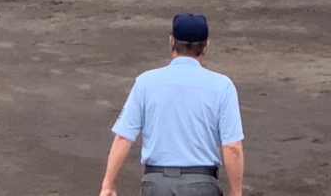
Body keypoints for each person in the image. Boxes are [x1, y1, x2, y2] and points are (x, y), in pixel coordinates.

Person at [98, 14, 244, 196]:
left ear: (171, 42)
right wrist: (236, 192)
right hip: (201, 186)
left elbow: (123, 137)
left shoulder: (145, 83)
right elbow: (232, 147)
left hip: (156, 185)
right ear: (206, 46)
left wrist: (108, 185)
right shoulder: (222, 86)